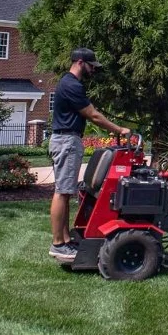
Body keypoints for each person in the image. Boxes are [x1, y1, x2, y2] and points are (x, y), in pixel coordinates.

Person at [48, 48, 130, 261]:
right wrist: (119, 130)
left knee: (65, 192)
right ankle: (57, 244)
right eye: (91, 65)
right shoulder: (71, 85)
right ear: (80, 62)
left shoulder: (68, 83)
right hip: (67, 140)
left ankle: (65, 240)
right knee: (62, 191)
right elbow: (93, 115)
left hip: (67, 139)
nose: (94, 69)